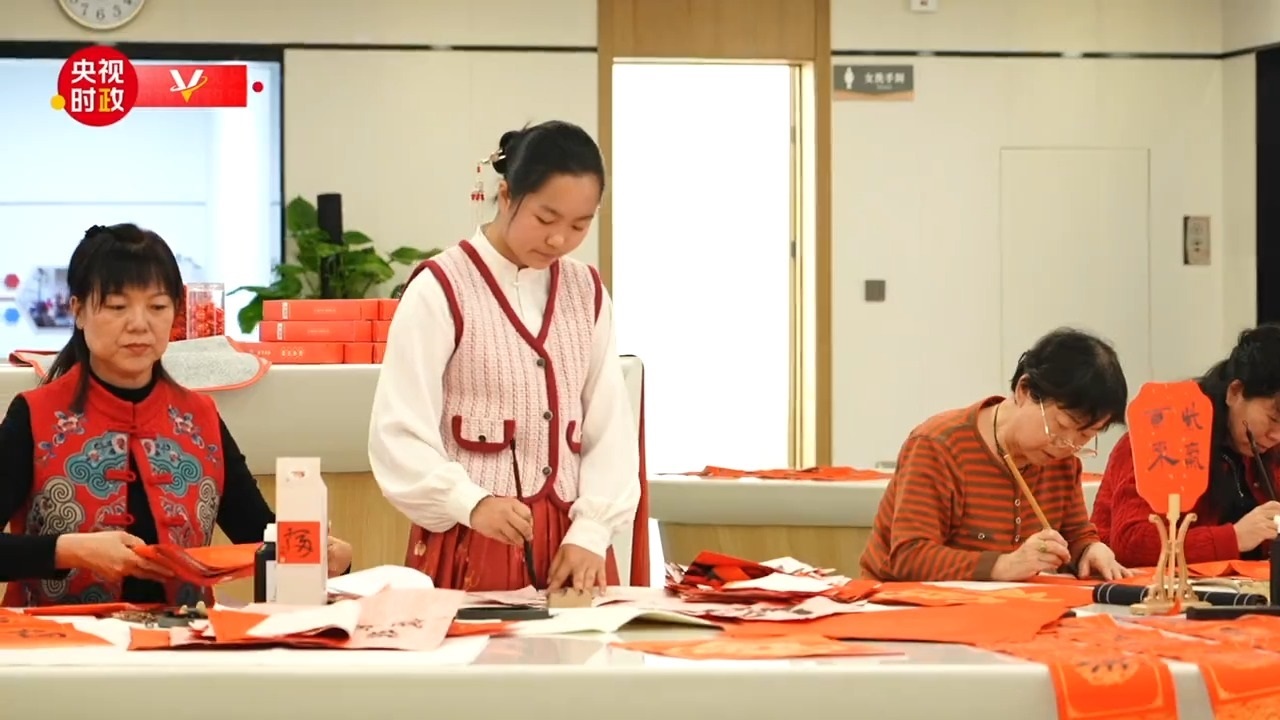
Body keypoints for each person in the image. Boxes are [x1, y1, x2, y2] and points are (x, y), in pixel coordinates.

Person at [0, 224, 353, 607]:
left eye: (157, 306)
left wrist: (328, 557)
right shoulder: (35, 416)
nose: (139, 324)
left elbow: (258, 537)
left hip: (183, 635)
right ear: (78, 311)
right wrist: (66, 550)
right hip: (58, 638)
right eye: (117, 306)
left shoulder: (200, 417)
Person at [369, 120, 641, 593]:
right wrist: (470, 502)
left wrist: (593, 532)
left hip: (574, 546)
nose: (559, 240)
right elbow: (398, 432)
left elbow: (610, 425)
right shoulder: (440, 288)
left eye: (580, 225)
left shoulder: (588, 291)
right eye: (545, 219)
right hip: (472, 537)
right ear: (506, 195)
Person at [860, 328, 1132, 583]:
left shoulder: (1061, 460)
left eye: (1085, 435)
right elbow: (909, 557)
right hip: (904, 606)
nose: (1067, 445)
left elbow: (1074, 536)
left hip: (1005, 607)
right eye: (1061, 425)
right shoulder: (939, 446)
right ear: (1024, 391)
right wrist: (1004, 565)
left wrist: (1090, 550)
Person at [1092, 325, 1280, 567]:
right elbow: (1131, 543)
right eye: (1273, 418)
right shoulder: (1167, 431)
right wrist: (1234, 538)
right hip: (1143, 585)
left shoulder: (1268, 447)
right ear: (1235, 392)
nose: (1276, 435)